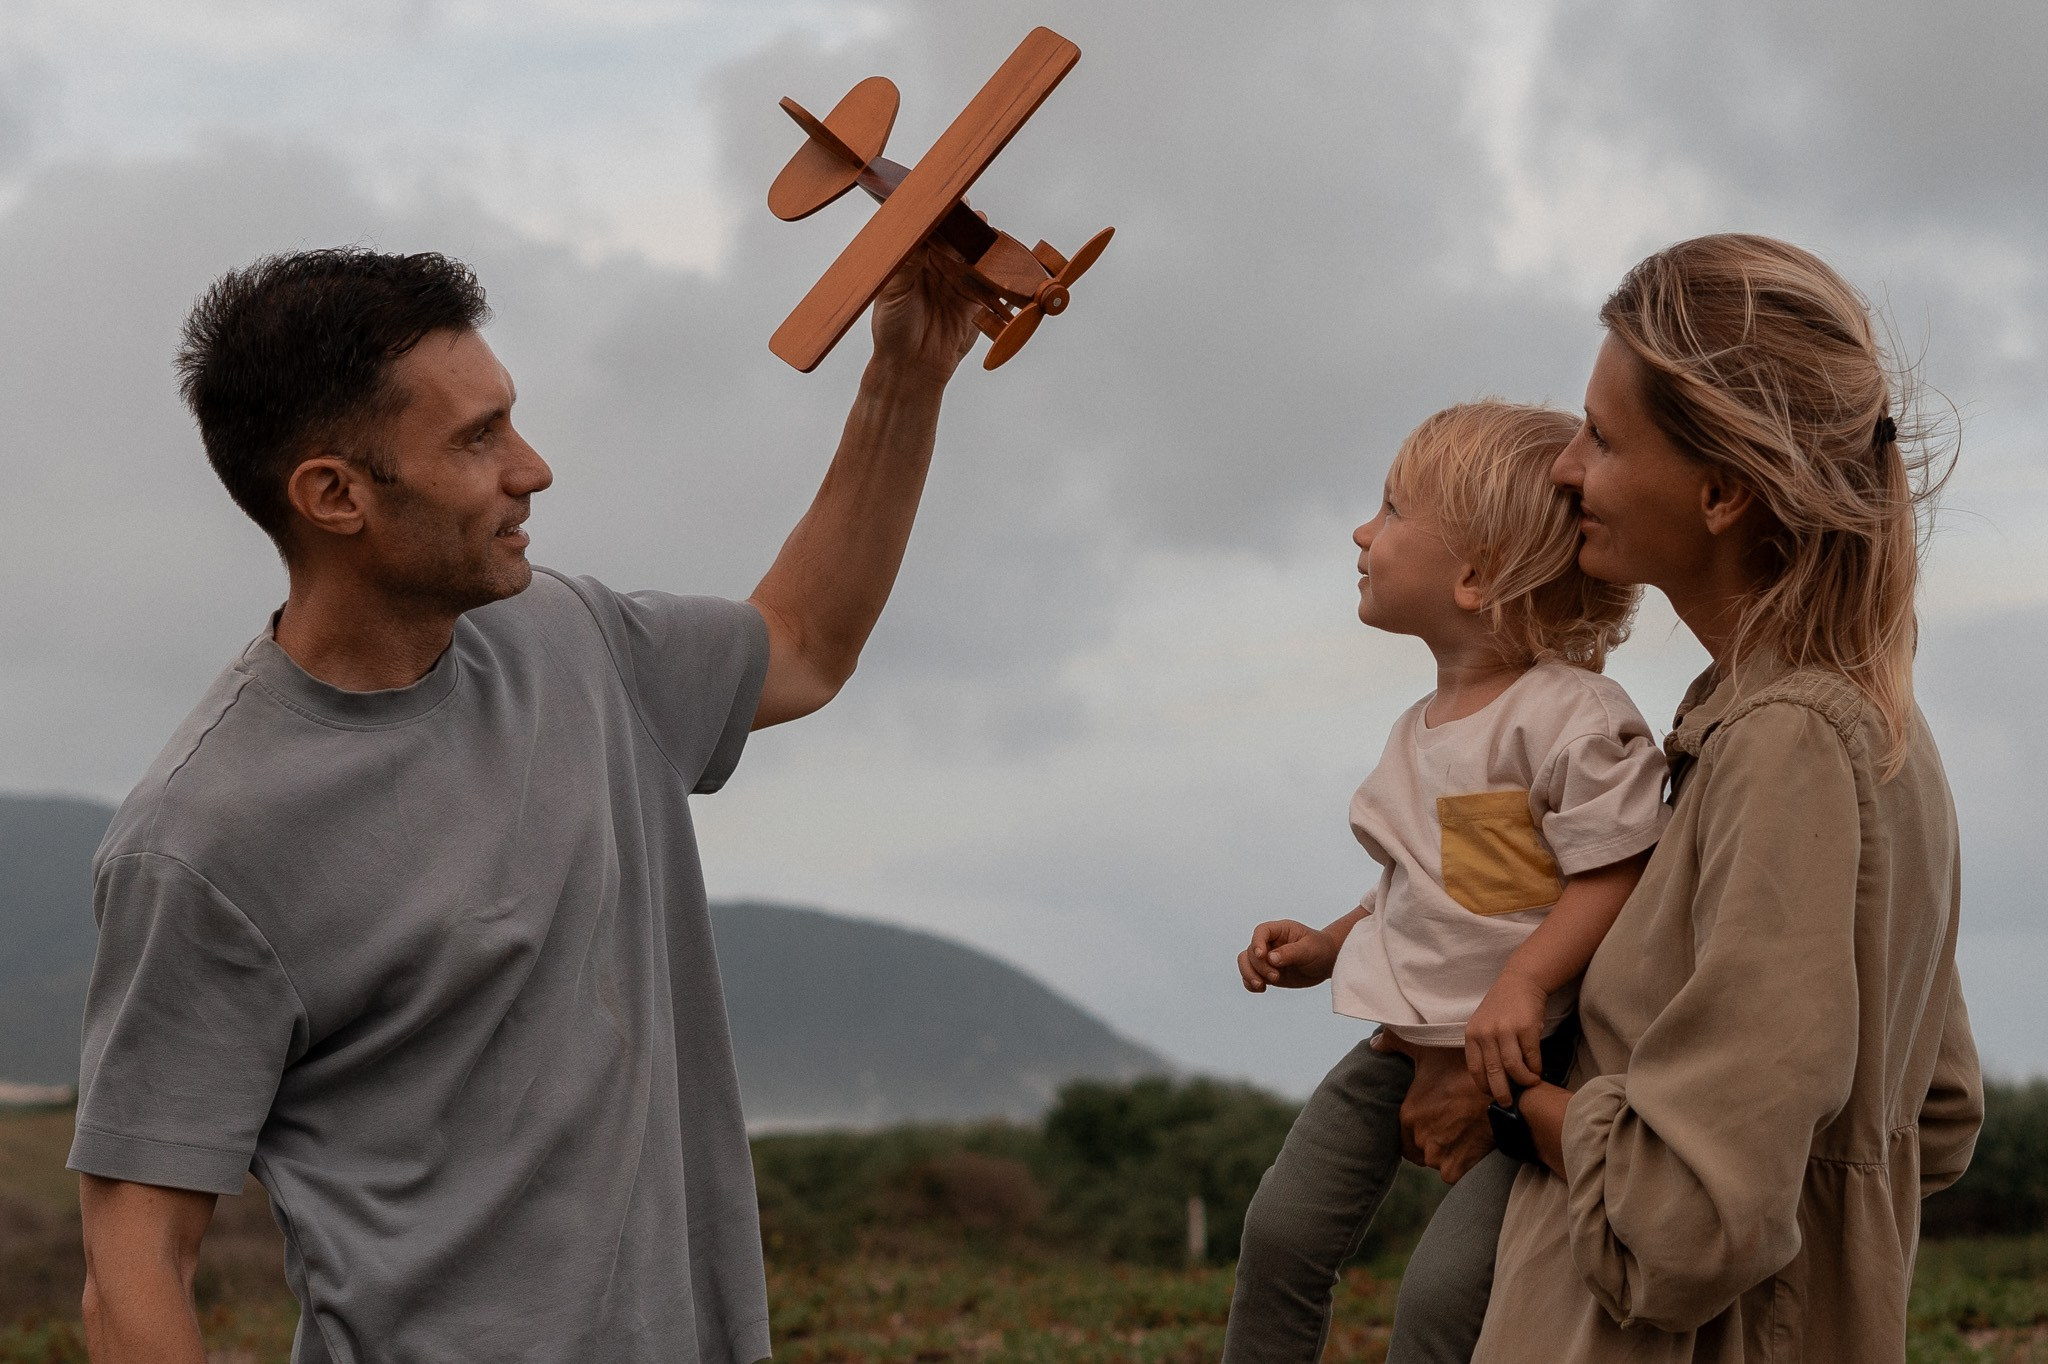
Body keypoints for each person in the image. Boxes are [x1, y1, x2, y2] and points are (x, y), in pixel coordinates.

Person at [67, 246, 980, 1364]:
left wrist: (907, 377)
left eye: (511, 419)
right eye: (475, 438)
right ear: (334, 494)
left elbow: (804, 644)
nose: (532, 468)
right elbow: (133, 1265)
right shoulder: (200, 839)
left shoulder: (573, 639)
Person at [1365, 235, 1980, 1362]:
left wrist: (1509, 1103)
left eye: (1600, 436)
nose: (1564, 468)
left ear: (1720, 491)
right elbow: (1929, 1115)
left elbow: (1686, 1217)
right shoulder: (1868, 724)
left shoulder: (1780, 745)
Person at [1225, 401, 1670, 1363]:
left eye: (1389, 511)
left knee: (1445, 1300)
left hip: (1527, 1065)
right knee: (1282, 1233)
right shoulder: (1419, 724)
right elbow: (1436, 883)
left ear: (1473, 577)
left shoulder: (1570, 718)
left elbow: (1620, 868)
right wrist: (1333, 943)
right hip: (1399, 1044)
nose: (1362, 531)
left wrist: (1522, 982)